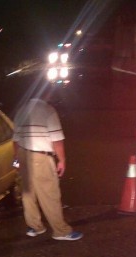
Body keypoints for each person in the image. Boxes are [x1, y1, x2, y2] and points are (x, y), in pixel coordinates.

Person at [12, 86, 83, 241]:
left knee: (28, 193)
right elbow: (57, 140)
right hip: (41, 158)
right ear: (46, 93)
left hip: (24, 155)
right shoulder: (48, 111)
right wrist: (62, 160)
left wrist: (16, 158)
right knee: (50, 194)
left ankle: (34, 227)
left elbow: (15, 140)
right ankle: (61, 231)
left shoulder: (21, 110)